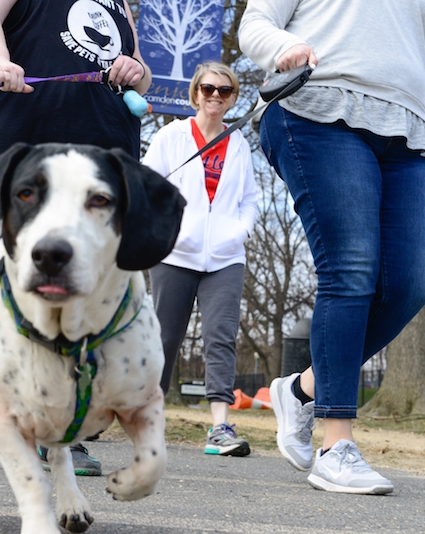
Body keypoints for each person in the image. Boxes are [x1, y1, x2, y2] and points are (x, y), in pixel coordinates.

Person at [238, 0, 425, 494]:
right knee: (351, 270)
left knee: (411, 284)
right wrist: (285, 46)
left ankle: (303, 388)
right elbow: (255, 24)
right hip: (319, 111)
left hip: (404, 133)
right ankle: (336, 447)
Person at [0, 0, 152, 476]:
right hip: (13, 139)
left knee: (83, 295)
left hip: (99, 147)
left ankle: (65, 425)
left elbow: (140, 71)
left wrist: (135, 70)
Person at [142, 62, 259, 458]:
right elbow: (147, 187)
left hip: (225, 258)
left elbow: (249, 200)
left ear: (232, 99)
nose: (215, 96)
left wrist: (237, 232)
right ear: (195, 93)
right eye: (208, 89)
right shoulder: (171, 136)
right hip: (175, 254)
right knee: (164, 338)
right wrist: (166, 231)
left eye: (224, 91)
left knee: (220, 337)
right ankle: (148, 420)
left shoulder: (238, 144)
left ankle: (220, 427)